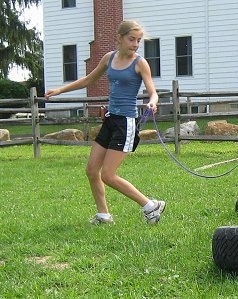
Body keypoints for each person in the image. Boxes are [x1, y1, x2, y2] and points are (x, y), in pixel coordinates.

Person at [44, 20, 165, 225]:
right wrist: (59, 90)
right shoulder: (109, 58)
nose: (135, 44)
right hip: (110, 120)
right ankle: (104, 215)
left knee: (108, 175)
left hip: (126, 123)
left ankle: (151, 206)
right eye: (131, 39)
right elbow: (88, 80)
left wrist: (152, 103)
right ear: (119, 37)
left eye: (138, 40)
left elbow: (152, 91)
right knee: (92, 170)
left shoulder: (140, 63)